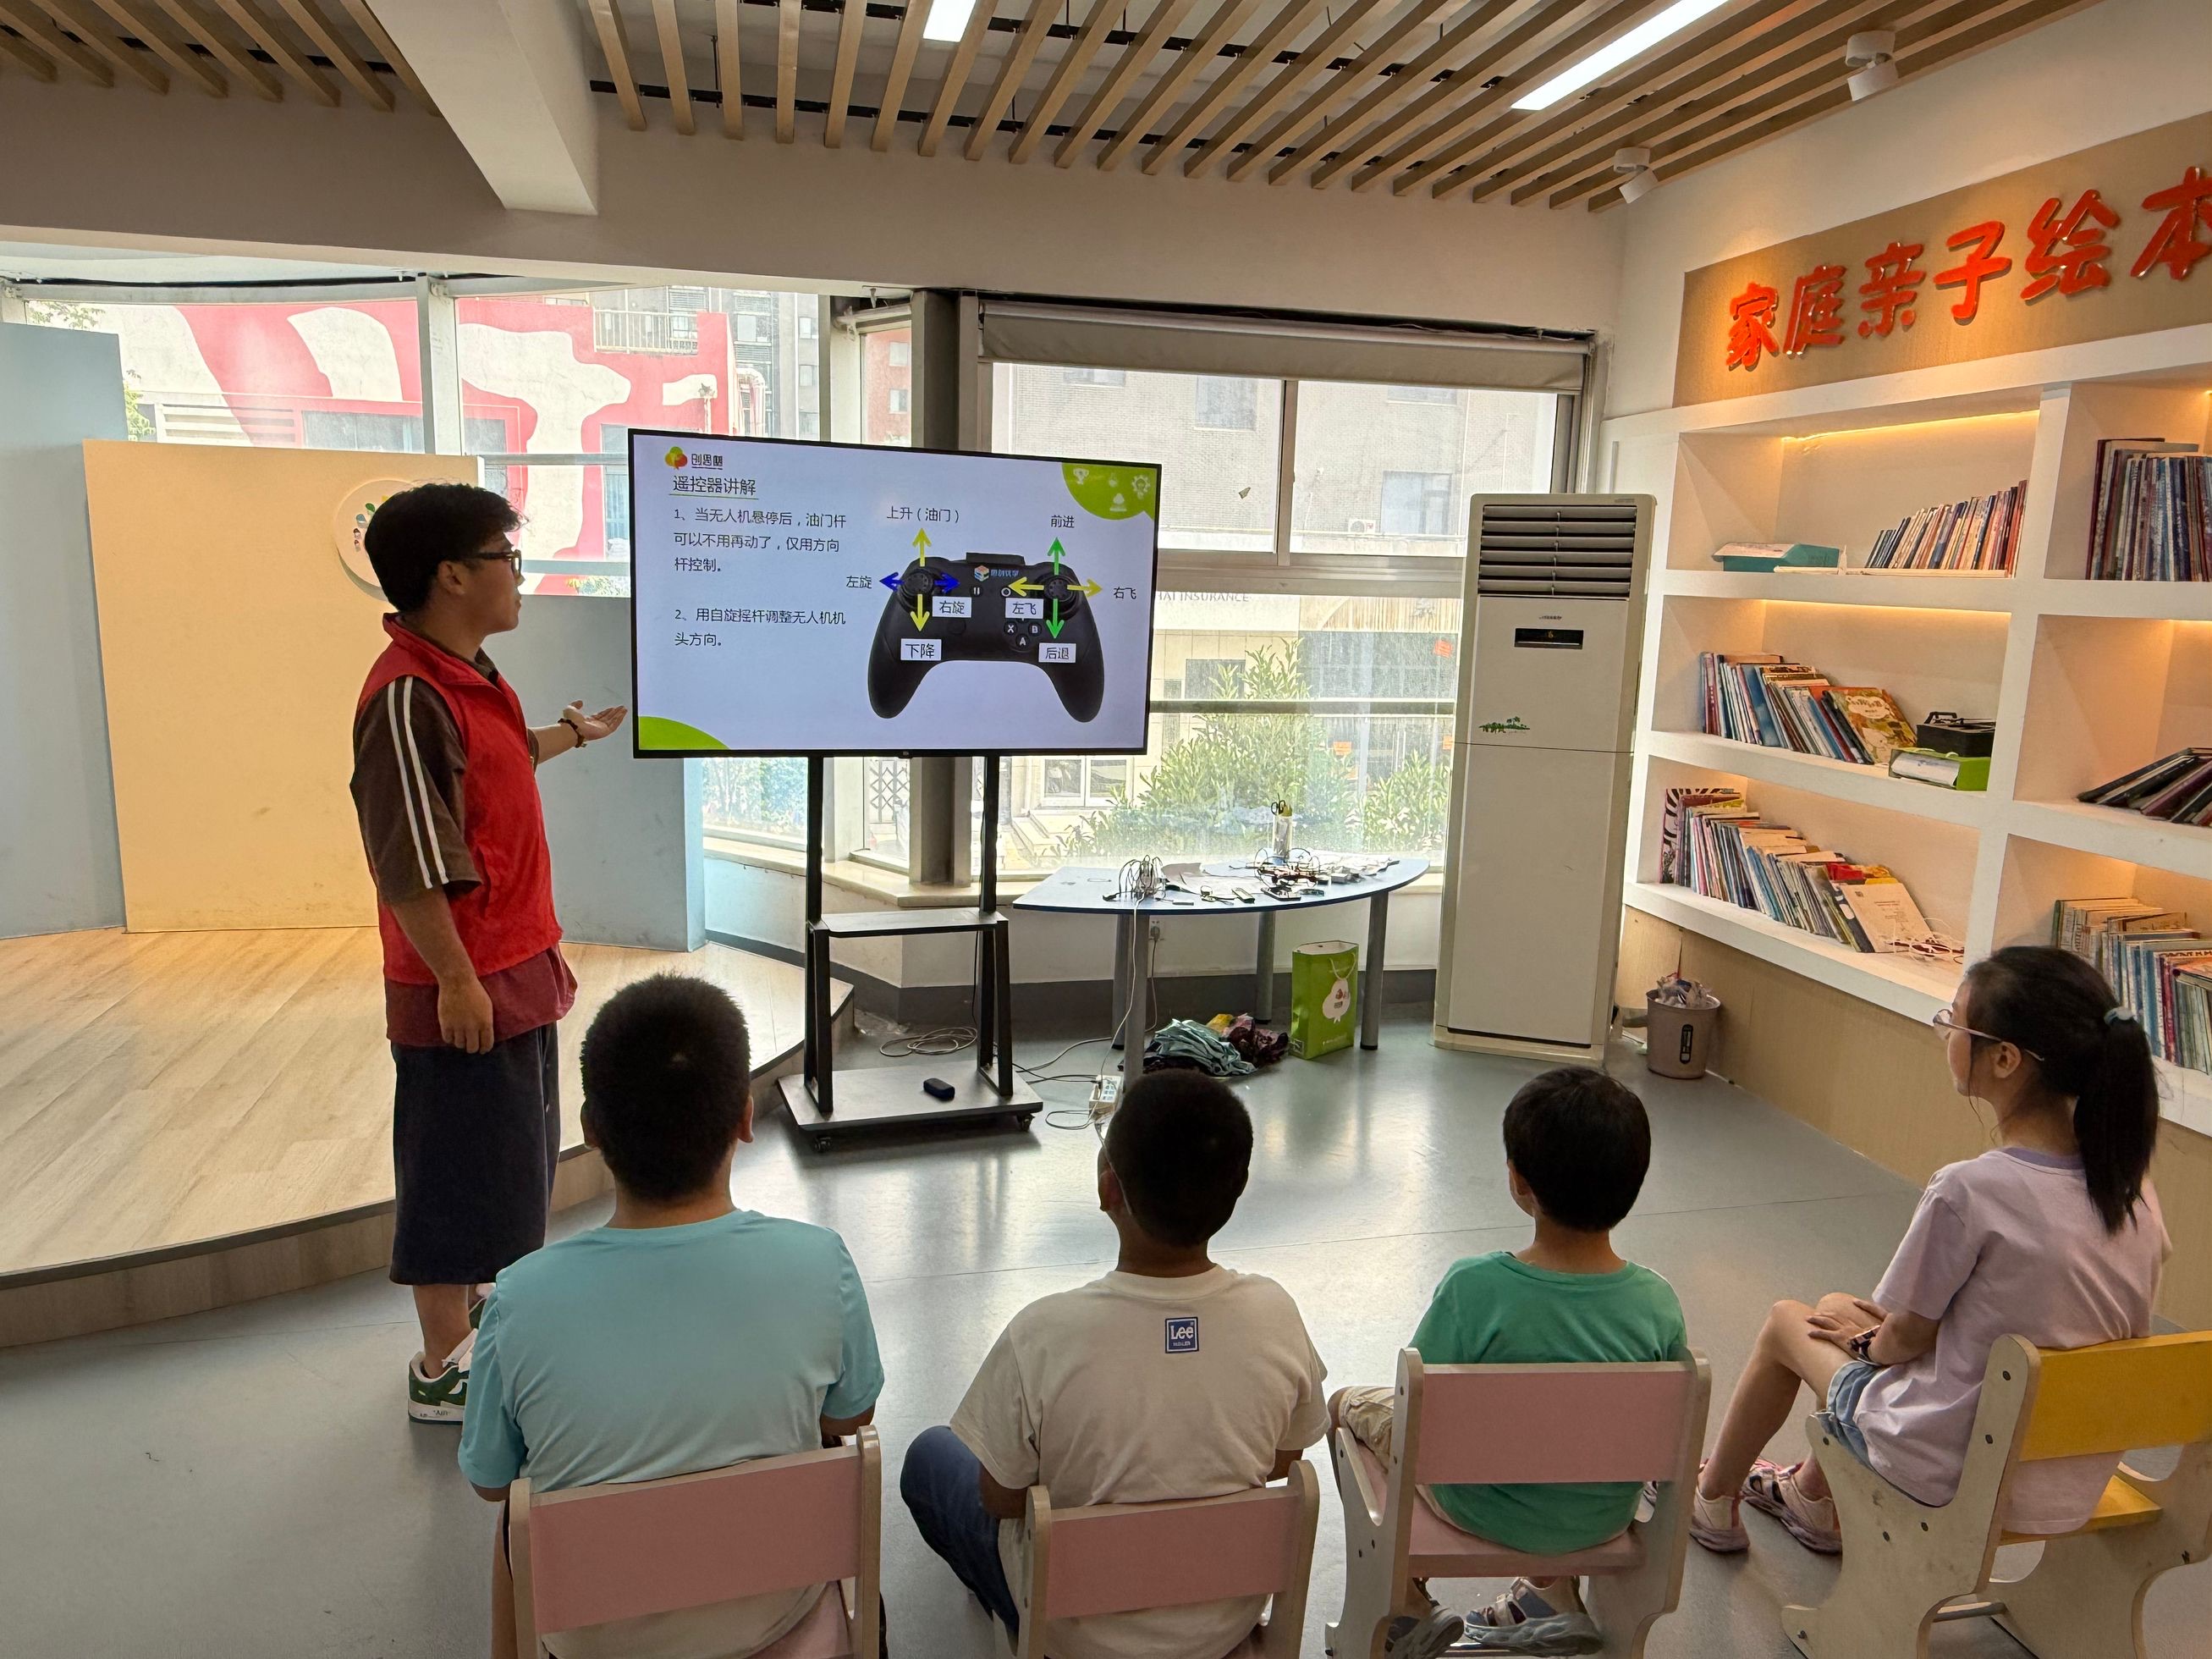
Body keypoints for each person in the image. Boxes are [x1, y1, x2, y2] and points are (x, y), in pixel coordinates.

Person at [1690, 945, 2166, 1557]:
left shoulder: (1971, 1190)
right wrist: (1869, 1334)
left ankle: (1711, 1499)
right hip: (2064, 1473)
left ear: (2004, 1059)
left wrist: (1867, 1345)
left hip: (1954, 1463)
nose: (1945, 1033)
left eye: (1954, 1022)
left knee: (1790, 1323)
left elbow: (1907, 1338)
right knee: (1837, 1308)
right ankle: (1812, 1497)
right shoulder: (2131, 1189)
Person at [460, 973, 884, 1659]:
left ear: (591, 1130)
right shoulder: (819, 1261)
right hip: (775, 1619)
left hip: (595, 1641)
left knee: (520, 1514)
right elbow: (849, 1417)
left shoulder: (518, 1299)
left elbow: (488, 1481)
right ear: (744, 1117)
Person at [349, 481, 626, 1421]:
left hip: (513, 970)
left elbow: (497, 761)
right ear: (452, 575)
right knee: (453, 1172)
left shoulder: (468, 675)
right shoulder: (406, 697)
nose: (519, 573)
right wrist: (455, 981)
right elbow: (406, 863)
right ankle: (443, 1366)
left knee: (506, 1167)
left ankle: (483, 1322)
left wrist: (572, 735)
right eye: (508, 557)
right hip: (464, 985)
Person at [902, 1071, 1329, 1659]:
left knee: (929, 1457)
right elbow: (1284, 1458)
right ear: (1238, 1189)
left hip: (1071, 1631)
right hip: (1222, 1624)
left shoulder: (1042, 1334)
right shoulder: (1275, 1315)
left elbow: (1000, 1498)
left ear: (1108, 1189)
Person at [1329, 1066, 1687, 1658]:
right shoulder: (1658, 1303)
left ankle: (1406, 1604)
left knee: (1347, 1407)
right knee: (1573, 1428)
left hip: (1478, 1507)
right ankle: (1554, 1591)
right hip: (1601, 1516)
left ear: (1519, 1181)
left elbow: (1418, 1411)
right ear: (1634, 1184)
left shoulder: (1474, 1287)